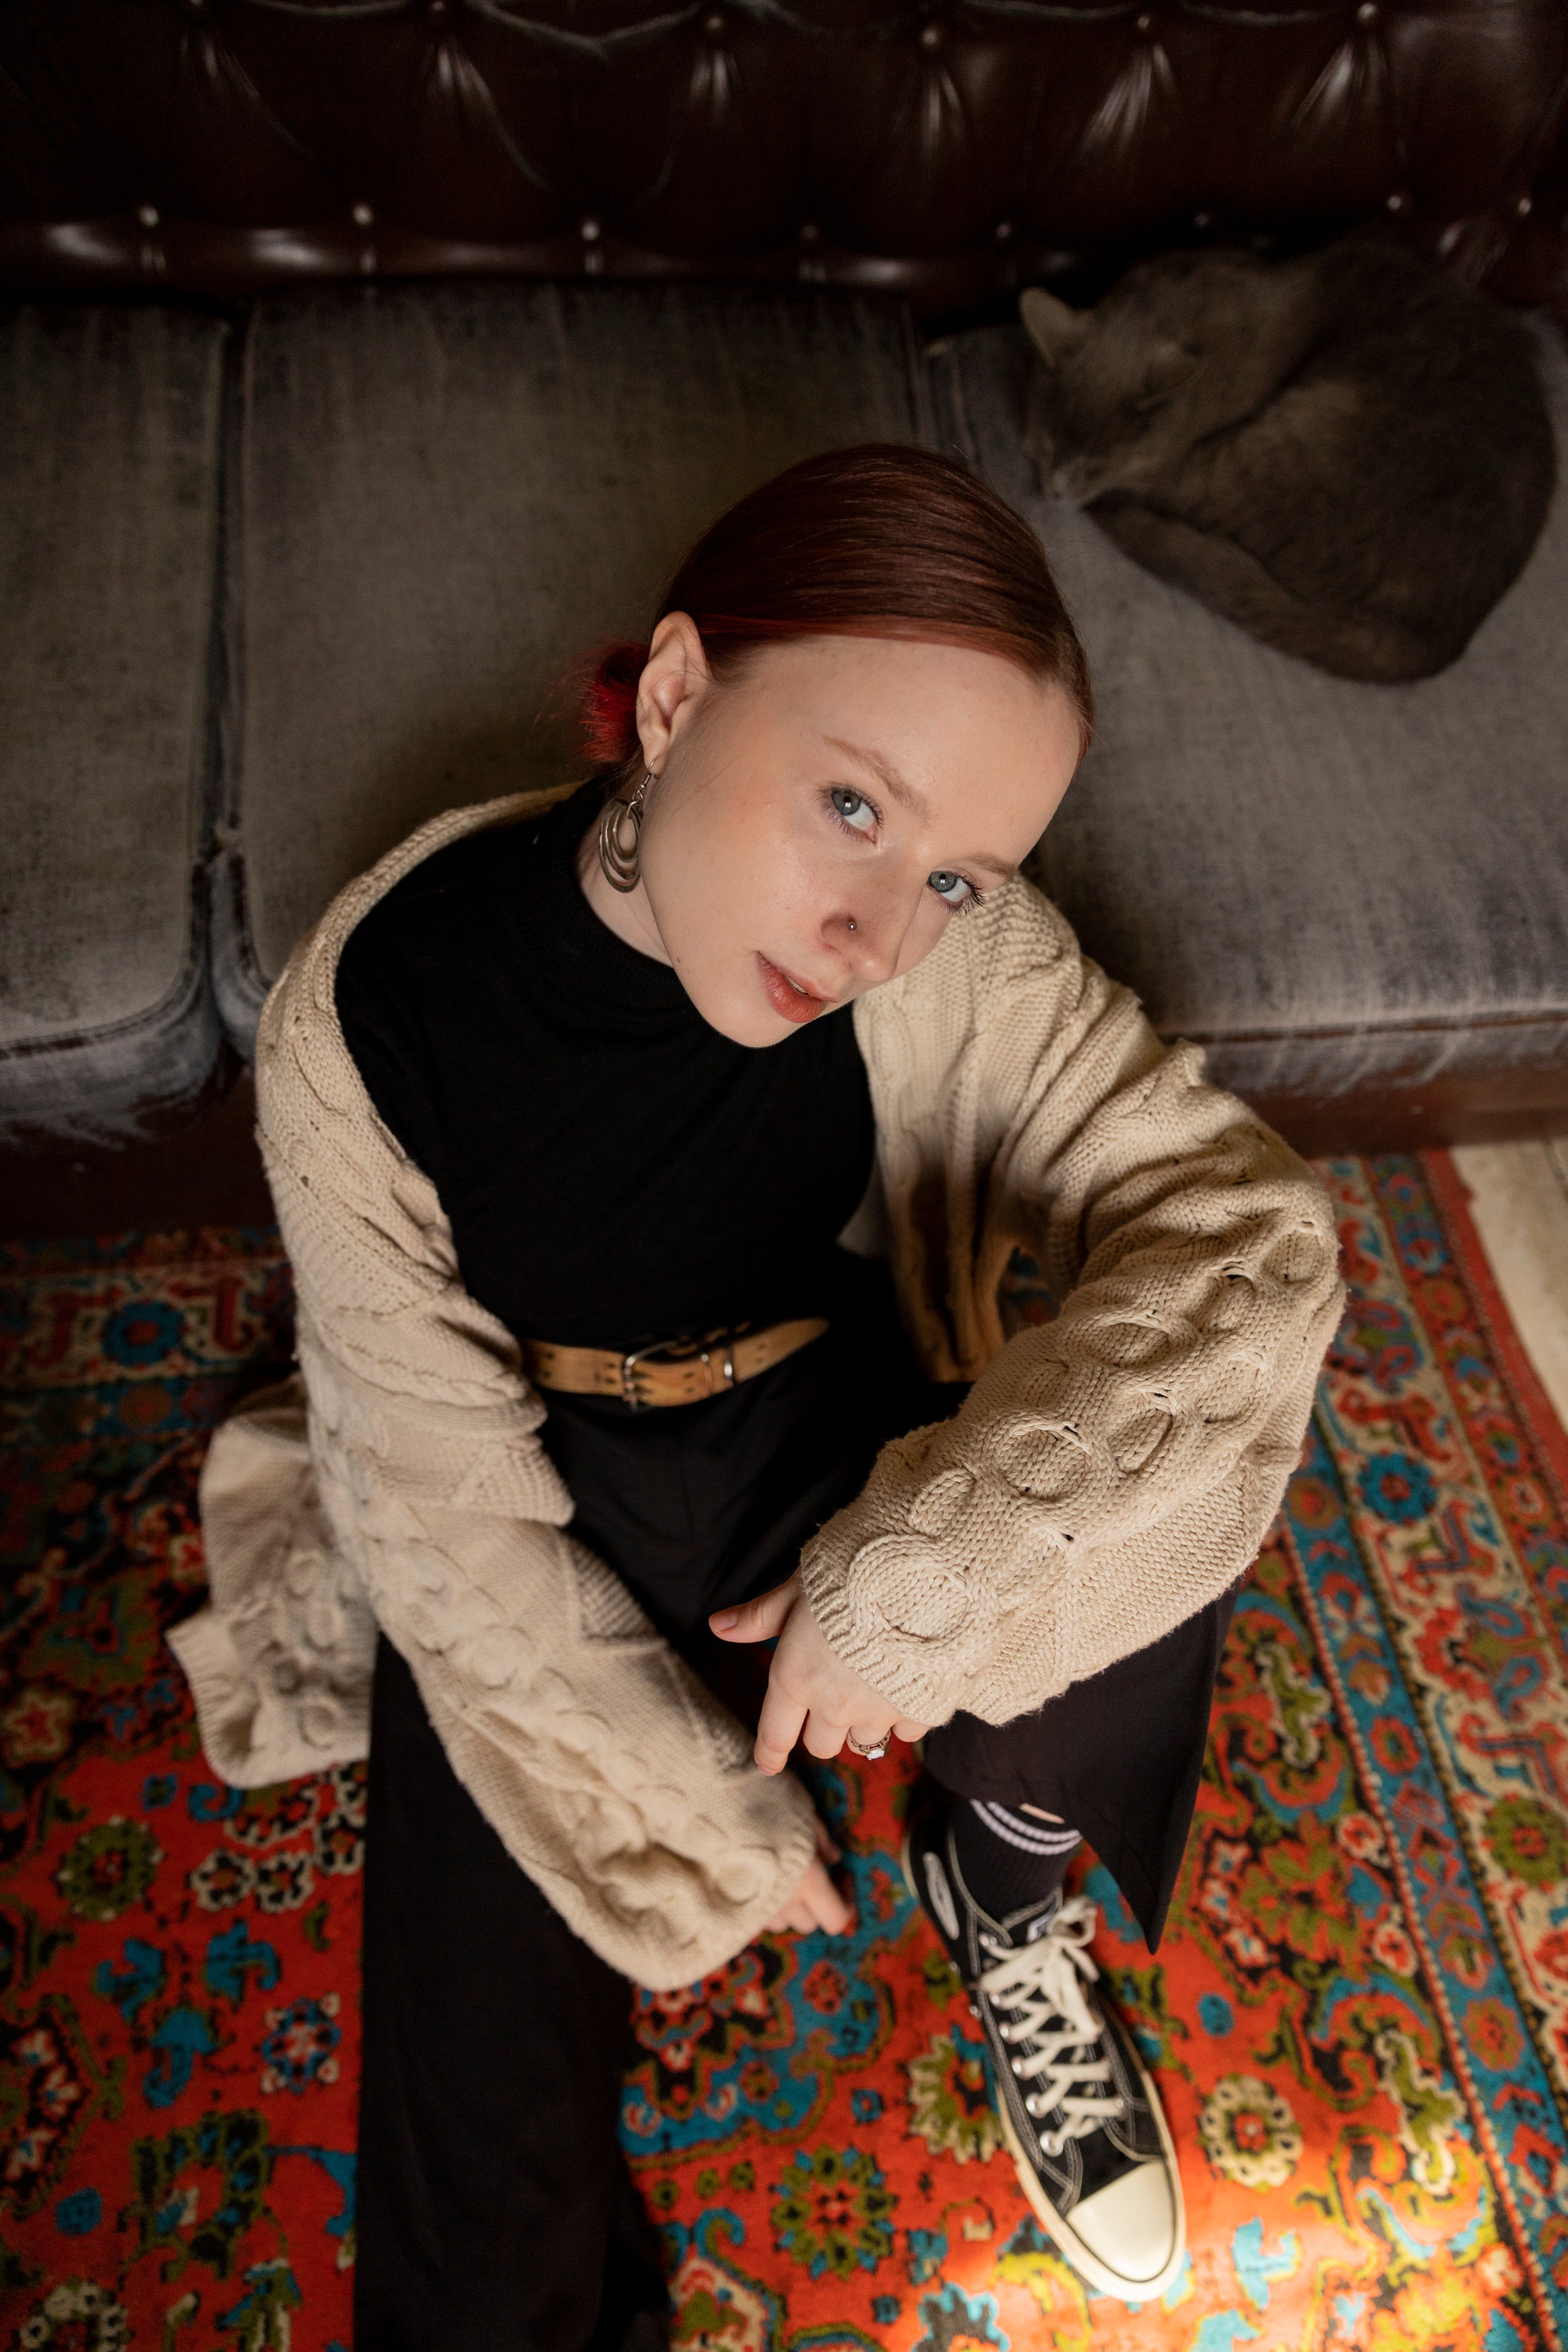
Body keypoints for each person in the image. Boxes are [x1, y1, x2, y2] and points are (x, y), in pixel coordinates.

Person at [172, 445, 1343, 2350]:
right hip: (535, 1482)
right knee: (474, 2187)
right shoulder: (371, 1012)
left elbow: (1256, 1249)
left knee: (1149, 1475)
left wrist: (929, 1571)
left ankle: (1001, 1871)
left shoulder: (957, 968)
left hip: (829, 1418)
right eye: (851, 806)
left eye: (955, 875)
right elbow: (446, 1525)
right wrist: (709, 1814)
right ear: (676, 693)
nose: (882, 932)